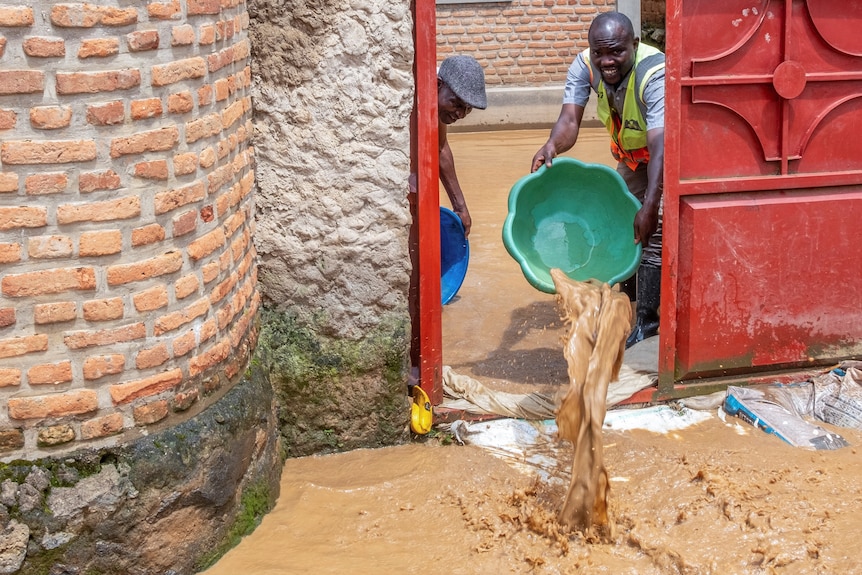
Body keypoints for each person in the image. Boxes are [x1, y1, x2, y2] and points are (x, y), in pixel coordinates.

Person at [531, 11, 665, 349]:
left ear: (634, 45)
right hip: (633, 160)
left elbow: (662, 145)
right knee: (625, 225)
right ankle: (629, 306)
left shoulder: (655, 74)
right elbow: (569, 122)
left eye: (616, 52)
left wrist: (650, 205)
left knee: (653, 230)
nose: (606, 61)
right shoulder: (584, 65)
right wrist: (551, 146)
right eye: (599, 53)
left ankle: (648, 323)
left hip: (667, 157)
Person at [409, 55, 487, 380]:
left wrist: (460, 205)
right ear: (437, 85)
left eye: (467, 109)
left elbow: (440, 149)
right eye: (456, 103)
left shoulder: (438, 111)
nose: (459, 113)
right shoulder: (410, 101)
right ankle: (413, 364)